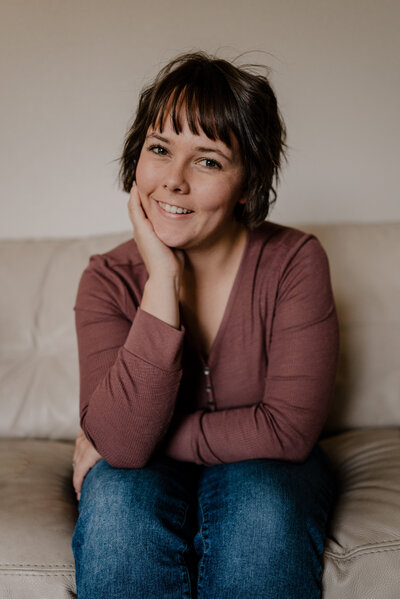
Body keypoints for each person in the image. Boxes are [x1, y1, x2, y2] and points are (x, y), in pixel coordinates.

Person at [71, 51, 339, 599]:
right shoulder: (106, 279)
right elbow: (122, 452)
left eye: (208, 161)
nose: (173, 181)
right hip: (143, 475)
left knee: (262, 505)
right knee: (117, 503)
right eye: (159, 150)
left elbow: (287, 432)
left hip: (268, 470)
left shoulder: (296, 260)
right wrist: (162, 282)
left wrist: (141, 438)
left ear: (247, 183)